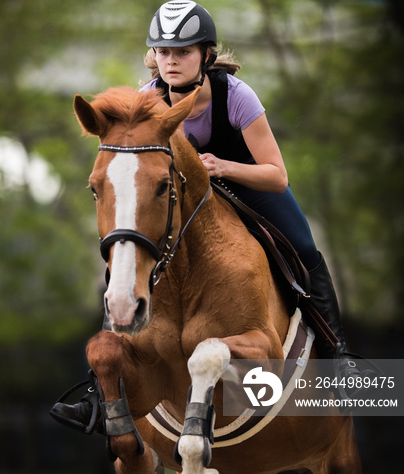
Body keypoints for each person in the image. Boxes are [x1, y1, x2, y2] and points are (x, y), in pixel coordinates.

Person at [51, 0, 364, 433]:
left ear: (206, 56)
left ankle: (337, 357)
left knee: (305, 246)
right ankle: (98, 391)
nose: (171, 61)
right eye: (163, 52)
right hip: (182, 199)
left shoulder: (236, 96)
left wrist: (222, 167)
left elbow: (277, 174)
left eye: (182, 52)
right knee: (127, 256)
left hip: (248, 186)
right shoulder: (147, 101)